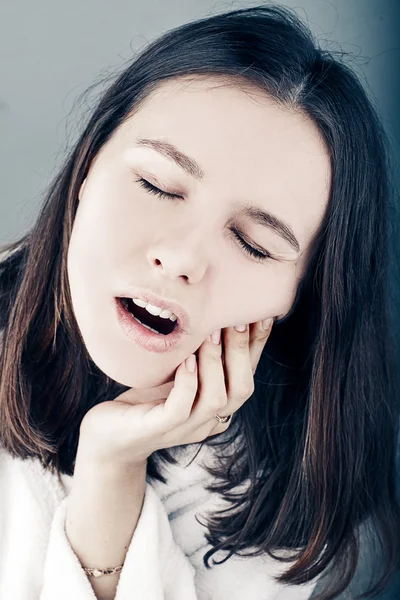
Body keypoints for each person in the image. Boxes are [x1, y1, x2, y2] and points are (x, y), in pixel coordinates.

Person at [0, 4, 399, 599]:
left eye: (255, 244)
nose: (184, 258)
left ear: (300, 297)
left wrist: (112, 466)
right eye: (157, 185)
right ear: (88, 169)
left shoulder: (292, 514)